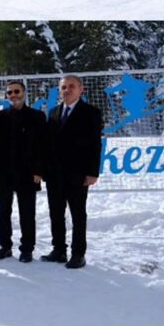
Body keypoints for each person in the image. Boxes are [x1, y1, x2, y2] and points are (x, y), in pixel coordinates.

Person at [41, 75, 103, 269]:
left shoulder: (91, 112)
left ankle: (78, 254)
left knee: (78, 214)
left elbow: (95, 145)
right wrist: (44, 169)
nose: (67, 90)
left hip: (78, 174)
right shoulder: (53, 112)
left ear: (81, 89)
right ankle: (59, 250)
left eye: (71, 87)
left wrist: (92, 172)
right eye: (63, 87)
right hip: (54, 174)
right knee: (56, 213)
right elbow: (48, 145)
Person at [0, 81, 46, 263]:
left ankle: (27, 248)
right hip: (4, 172)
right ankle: (5, 246)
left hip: (28, 172)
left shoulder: (37, 116)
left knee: (27, 212)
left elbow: (41, 146)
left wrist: (39, 170)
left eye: (17, 91)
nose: (13, 95)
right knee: (4, 211)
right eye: (9, 93)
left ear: (24, 93)